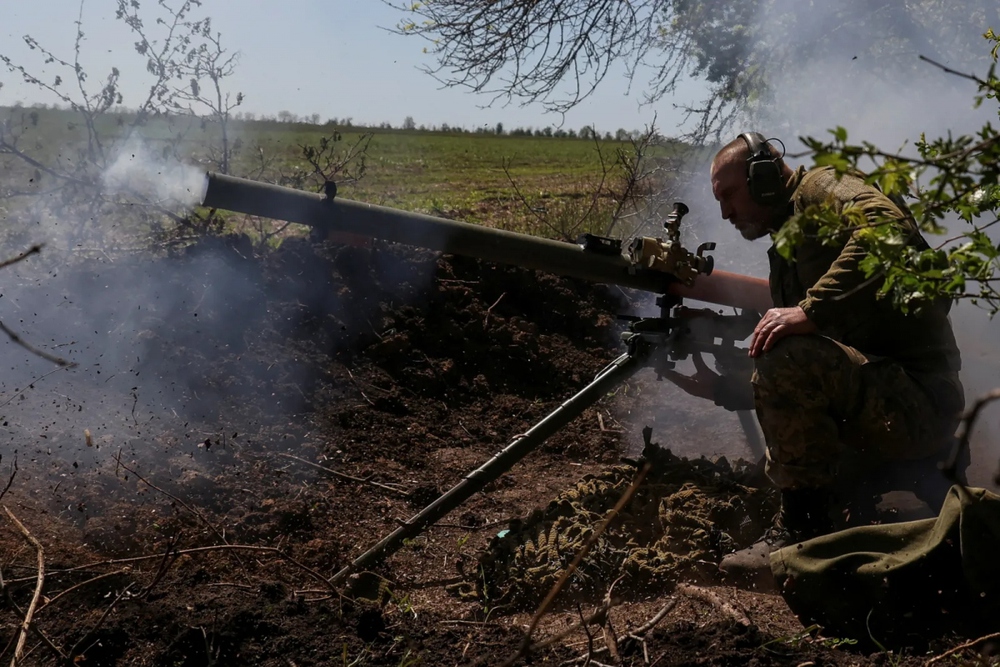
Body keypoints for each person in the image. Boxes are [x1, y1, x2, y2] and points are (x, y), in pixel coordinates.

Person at [674, 132, 965, 588]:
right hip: (886, 401)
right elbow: (811, 385)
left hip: (918, 404)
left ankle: (802, 534)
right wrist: (723, 388)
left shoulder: (823, 187)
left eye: (730, 194)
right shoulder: (790, 240)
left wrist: (811, 310)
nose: (726, 212)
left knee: (788, 350)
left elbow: (889, 229)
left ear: (764, 178)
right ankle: (845, 505)